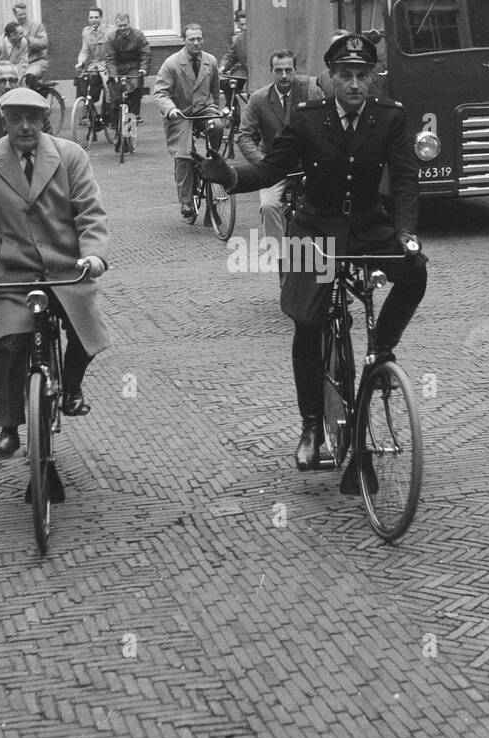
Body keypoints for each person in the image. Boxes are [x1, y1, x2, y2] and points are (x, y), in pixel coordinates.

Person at [198, 32, 427, 470]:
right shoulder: (306, 118)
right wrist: (228, 177)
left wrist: (405, 231)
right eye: (346, 76)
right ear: (331, 78)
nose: (355, 85)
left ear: (372, 79)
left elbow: (404, 180)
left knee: (414, 271)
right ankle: (309, 425)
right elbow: (271, 168)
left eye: (363, 76)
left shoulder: (390, 118)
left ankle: (382, 350)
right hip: (313, 229)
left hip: (367, 225)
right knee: (307, 323)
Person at [0, 86, 110, 459]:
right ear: (4, 121)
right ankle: (9, 427)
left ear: (44, 120)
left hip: (65, 269)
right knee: (9, 342)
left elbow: (89, 212)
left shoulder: (70, 156)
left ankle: (72, 389)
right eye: (15, 119)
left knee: (85, 331)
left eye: (32, 118)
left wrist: (93, 256)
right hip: (14, 273)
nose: (24, 126)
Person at [237, 49, 322, 251]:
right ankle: (277, 252)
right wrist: (262, 163)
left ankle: (322, 250)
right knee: (268, 206)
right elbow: (243, 135)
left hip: (308, 162)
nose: (284, 75)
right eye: (278, 70)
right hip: (274, 163)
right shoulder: (258, 99)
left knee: (325, 204)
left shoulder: (311, 92)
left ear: (295, 70)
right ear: (271, 71)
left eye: (288, 70)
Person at [151, 24, 224, 222]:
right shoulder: (172, 63)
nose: (196, 43)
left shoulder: (211, 61)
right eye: (192, 39)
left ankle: (213, 158)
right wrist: (171, 109)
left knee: (217, 126)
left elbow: (215, 91)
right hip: (180, 113)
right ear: (184, 40)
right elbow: (160, 92)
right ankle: (186, 201)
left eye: (199, 39)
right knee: (183, 154)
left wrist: (214, 111)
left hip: (203, 109)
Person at [74, 6, 115, 118]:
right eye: (91, 17)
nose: (94, 20)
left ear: (101, 18)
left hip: (107, 64)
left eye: (96, 17)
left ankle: (108, 112)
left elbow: (114, 50)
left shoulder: (110, 31)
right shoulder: (86, 32)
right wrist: (81, 62)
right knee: (86, 82)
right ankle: (89, 110)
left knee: (108, 86)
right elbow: (84, 50)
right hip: (94, 64)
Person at [110, 11, 150, 122]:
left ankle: (134, 116)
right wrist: (113, 73)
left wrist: (143, 68)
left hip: (133, 67)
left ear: (129, 23)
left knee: (135, 87)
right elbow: (109, 58)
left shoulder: (138, 35)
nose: (123, 28)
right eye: (120, 26)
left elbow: (145, 52)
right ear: (116, 25)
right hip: (117, 68)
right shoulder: (112, 37)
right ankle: (114, 124)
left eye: (125, 25)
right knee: (114, 94)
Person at [10, 2, 48, 80]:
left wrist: (27, 38)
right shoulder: (12, 28)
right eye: (20, 15)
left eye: (25, 14)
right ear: (15, 15)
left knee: (29, 77)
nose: (23, 16)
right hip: (17, 63)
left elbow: (44, 44)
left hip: (35, 62)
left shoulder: (37, 26)